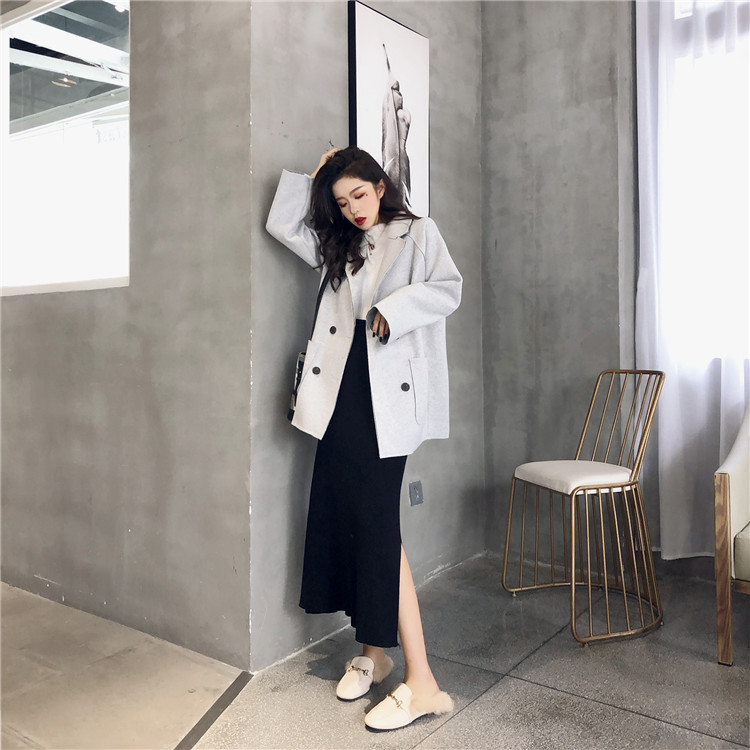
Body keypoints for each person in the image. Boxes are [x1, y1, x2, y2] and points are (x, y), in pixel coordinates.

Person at [266, 146, 462, 731]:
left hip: (389, 394)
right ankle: (375, 654)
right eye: (341, 200)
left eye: (359, 193)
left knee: (377, 525)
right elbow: (281, 224)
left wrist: (394, 309)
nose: (353, 208)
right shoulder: (340, 243)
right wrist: (317, 174)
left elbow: (448, 288)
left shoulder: (419, 232)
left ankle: (423, 683)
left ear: (380, 186)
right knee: (349, 516)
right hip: (341, 389)